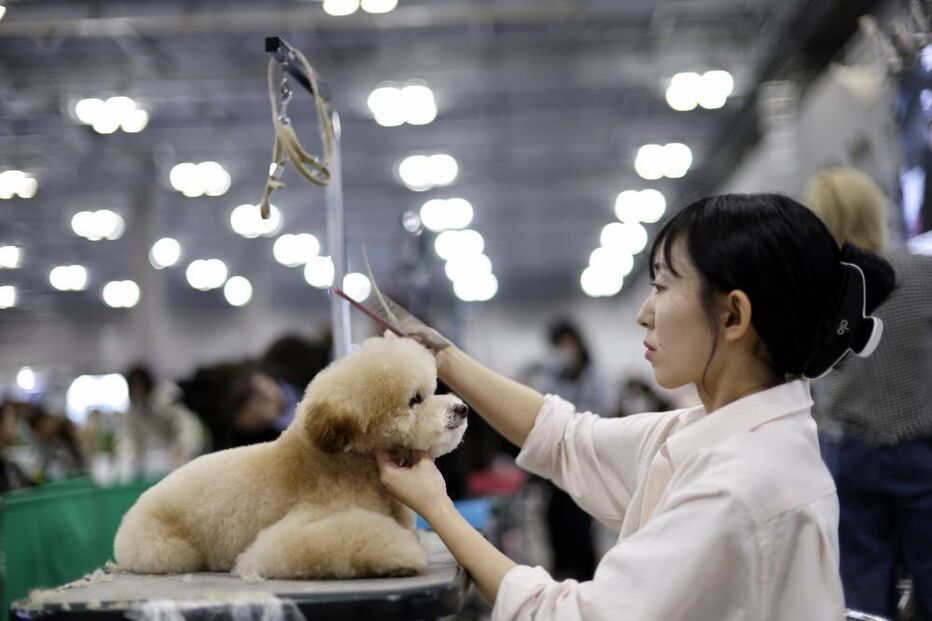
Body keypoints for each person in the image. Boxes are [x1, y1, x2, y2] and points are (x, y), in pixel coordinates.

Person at [374, 193, 895, 620]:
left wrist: (436, 507)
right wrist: (443, 356)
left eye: (663, 286)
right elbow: (565, 437)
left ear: (733, 316)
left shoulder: (740, 485)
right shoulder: (719, 434)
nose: (644, 314)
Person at [805, 167, 932, 620]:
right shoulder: (921, 272)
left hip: (846, 455)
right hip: (919, 449)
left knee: (860, 595)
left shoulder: (816, 290)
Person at [520, 320, 609, 580]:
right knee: (554, 518)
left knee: (581, 518)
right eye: (558, 346)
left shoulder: (595, 376)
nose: (564, 351)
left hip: (585, 457)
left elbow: (598, 415)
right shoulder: (552, 375)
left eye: (568, 344)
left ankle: (587, 575)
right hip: (556, 457)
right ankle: (562, 573)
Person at [118, 365, 204, 477]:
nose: (138, 389)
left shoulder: (164, 400)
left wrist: (183, 445)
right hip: (146, 463)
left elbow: (186, 424)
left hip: (173, 459)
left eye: (140, 385)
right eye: (134, 386)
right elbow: (128, 439)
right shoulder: (132, 411)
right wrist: (126, 461)